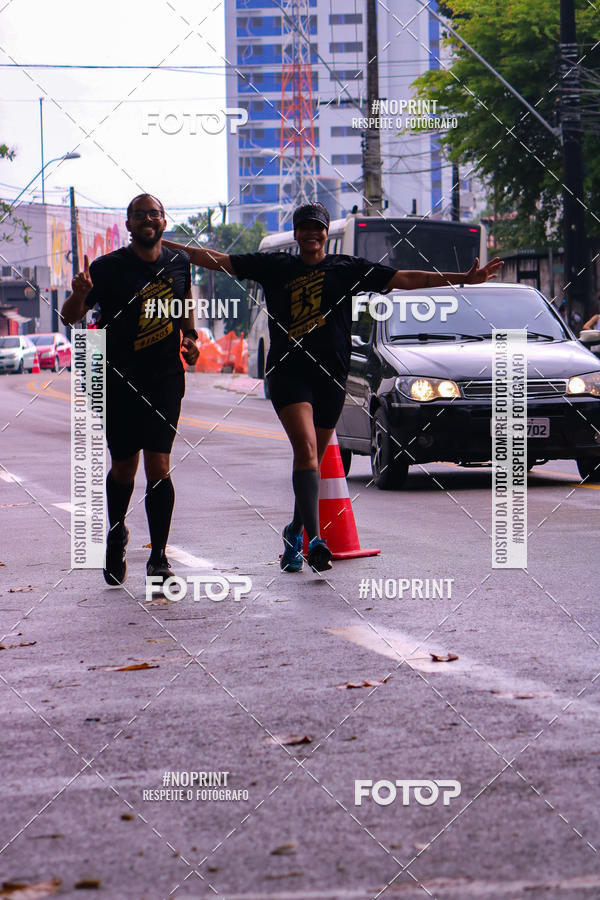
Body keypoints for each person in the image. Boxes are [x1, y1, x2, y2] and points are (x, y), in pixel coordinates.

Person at [163, 202, 503, 573]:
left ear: (326, 233)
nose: (312, 233)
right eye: (305, 227)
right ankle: (316, 541)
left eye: (318, 227)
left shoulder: (346, 268)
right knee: (307, 451)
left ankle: (294, 531)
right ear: (296, 234)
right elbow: (217, 260)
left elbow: (405, 278)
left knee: (311, 462)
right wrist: (166, 245)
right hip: (289, 375)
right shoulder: (274, 266)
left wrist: (462, 278)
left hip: (331, 377)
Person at [61, 194, 199, 586]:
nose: (148, 220)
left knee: (159, 465)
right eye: (140, 215)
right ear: (129, 225)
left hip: (165, 378)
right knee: (124, 466)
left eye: (154, 214)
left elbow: (184, 301)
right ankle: (117, 531)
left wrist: (191, 336)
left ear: (164, 221)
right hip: (119, 378)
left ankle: (158, 558)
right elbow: (69, 317)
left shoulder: (179, 262)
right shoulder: (106, 268)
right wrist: (78, 293)